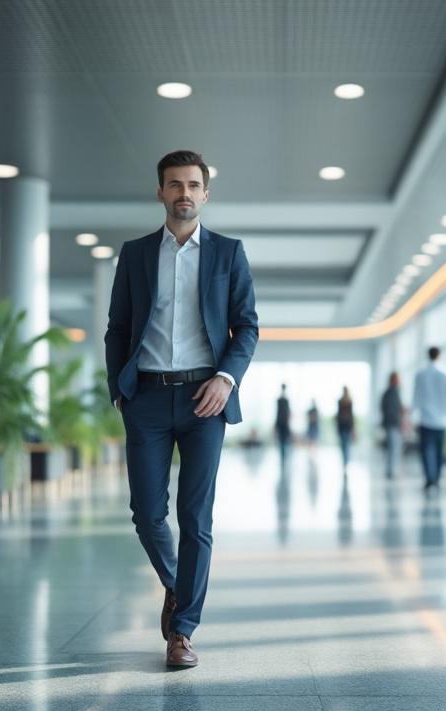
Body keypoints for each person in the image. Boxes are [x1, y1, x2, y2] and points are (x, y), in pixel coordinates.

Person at [104, 150, 258, 668]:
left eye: (193, 185)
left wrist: (226, 378)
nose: (184, 193)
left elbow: (247, 327)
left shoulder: (229, 254)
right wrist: (119, 389)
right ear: (161, 192)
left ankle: (182, 631)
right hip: (145, 397)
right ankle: (177, 584)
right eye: (175, 185)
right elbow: (118, 328)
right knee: (147, 514)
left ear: (206, 194)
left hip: (204, 400)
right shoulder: (136, 254)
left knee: (196, 518)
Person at [412, 347, 446, 492]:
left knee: (426, 451)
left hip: (426, 419)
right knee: (439, 451)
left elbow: (416, 397)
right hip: (442, 420)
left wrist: (412, 417)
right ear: (439, 356)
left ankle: (429, 478)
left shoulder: (421, 374)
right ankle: (437, 478)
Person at [380, 372, 404, 479]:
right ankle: (391, 471)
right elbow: (391, 410)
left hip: (392, 424)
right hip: (393, 424)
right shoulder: (391, 393)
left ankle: (391, 470)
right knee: (394, 448)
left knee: (393, 448)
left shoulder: (391, 393)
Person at [336, 387, 355, 469]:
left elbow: (351, 415)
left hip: (346, 426)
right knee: (345, 445)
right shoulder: (341, 401)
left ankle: (345, 462)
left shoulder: (348, 401)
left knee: (345, 445)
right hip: (344, 426)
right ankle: (345, 461)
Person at [274, 384, 291, 461]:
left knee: (283, 440)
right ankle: (283, 455)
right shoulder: (281, 400)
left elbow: (285, 412)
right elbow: (279, 412)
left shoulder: (283, 400)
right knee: (282, 440)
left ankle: (284, 455)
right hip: (282, 423)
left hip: (283, 423)